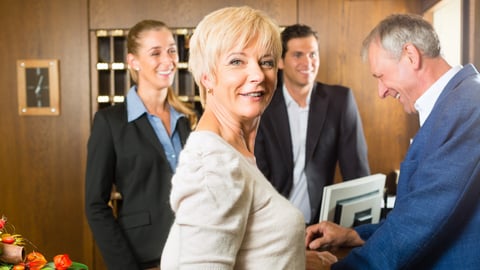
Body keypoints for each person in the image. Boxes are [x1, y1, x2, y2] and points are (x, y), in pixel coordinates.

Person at [305, 13, 480, 269]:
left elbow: (421, 220)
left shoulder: (467, 105)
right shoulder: (453, 103)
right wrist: (354, 235)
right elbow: (418, 211)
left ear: (411, 56)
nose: (381, 91)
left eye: (381, 76)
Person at [160, 6, 305, 269]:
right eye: (237, 61)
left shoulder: (235, 152)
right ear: (207, 77)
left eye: (267, 62)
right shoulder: (214, 164)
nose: (258, 75)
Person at [85, 20, 197, 270]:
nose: (168, 60)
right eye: (155, 53)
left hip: (197, 253)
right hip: (145, 258)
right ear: (133, 61)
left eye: (171, 50)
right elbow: (95, 205)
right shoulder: (110, 122)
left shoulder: (188, 119)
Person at [254, 24, 370, 226]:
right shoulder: (262, 105)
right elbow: (258, 176)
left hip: (321, 225)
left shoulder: (340, 100)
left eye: (313, 54)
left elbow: (357, 172)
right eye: (298, 55)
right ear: (280, 61)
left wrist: (361, 235)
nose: (307, 62)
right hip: (271, 223)